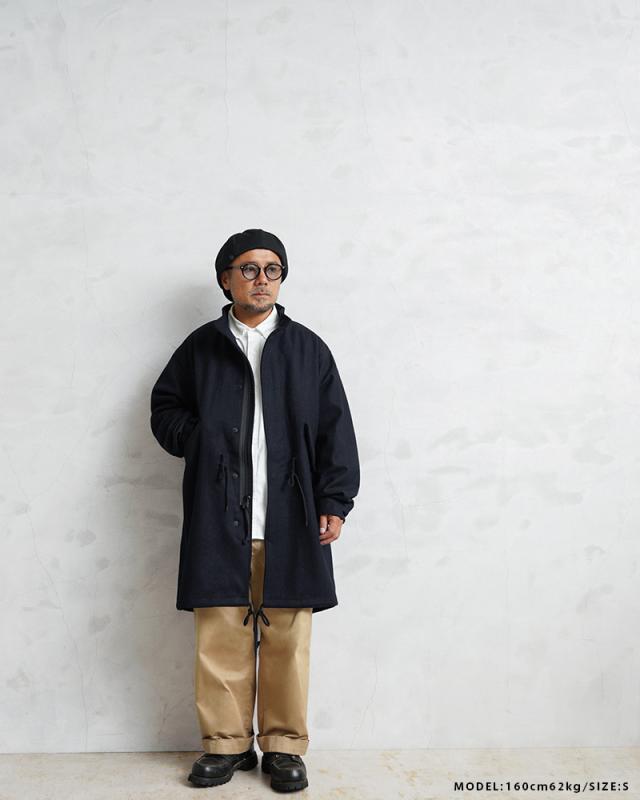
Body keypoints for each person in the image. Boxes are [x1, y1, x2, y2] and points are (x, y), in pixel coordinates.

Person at [149, 228, 360, 791]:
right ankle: (227, 745)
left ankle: (284, 746)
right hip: (220, 516)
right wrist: (199, 438)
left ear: (281, 278)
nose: (261, 279)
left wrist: (335, 500)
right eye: (248, 268)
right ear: (226, 279)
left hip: (292, 516)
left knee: (289, 637)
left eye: (272, 269)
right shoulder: (201, 348)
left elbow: (336, 429)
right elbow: (165, 408)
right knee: (221, 633)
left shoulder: (308, 349)